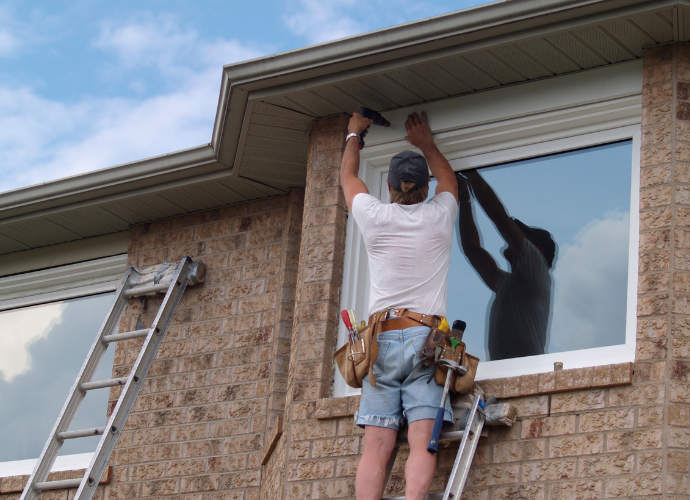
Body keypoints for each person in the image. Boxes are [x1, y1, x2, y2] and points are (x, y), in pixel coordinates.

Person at [340, 110, 458, 500]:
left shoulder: (375, 217)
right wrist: (425, 143)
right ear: (425, 187)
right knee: (424, 437)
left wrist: (354, 134)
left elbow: (348, 179)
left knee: (377, 444)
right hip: (428, 338)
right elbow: (450, 179)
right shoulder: (440, 215)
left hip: (380, 341)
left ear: (389, 187)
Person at [456, 169, 556, 361]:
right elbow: (471, 248)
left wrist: (471, 172)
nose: (515, 237)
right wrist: (465, 199)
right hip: (507, 374)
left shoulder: (538, 268)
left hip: (527, 376)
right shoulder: (510, 286)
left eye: (522, 234)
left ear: (539, 250)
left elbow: (499, 217)